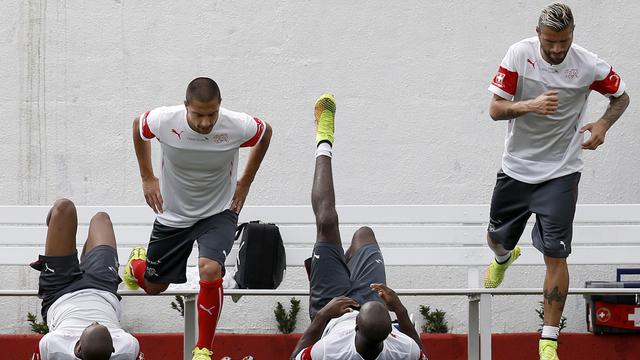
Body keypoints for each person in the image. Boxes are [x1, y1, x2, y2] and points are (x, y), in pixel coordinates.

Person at [484, 3, 629, 359]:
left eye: (563, 41)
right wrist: (530, 105)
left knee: (556, 254)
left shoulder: (588, 64)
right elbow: (495, 109)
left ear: (572, 35)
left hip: (562, 172)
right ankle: (504, 256)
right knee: (495, 238)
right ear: (538, 34)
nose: (557, 49)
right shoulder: (520, 54)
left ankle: (548, 341)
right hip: (517, 168)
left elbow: (621, 96)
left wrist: (602, 125)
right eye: (550, 41)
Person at [126, 77, 272, 360]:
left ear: (220, 107)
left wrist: (246, 181)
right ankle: (136, 264)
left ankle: (203, 349)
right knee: (155, 286)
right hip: (175, 214)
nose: (206, 123)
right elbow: (138, 127)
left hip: (219, 212)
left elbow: (265, 132)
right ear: (186, 107)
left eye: (212, 115)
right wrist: (147, 176)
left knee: (210, 267)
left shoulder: (236, 125)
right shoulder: (164, 120)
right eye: (198, 115)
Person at [290, 94, 427, 360]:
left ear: (355, 327)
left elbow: (296, 356)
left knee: (327, 221)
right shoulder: (400, 349)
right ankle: (338, 268)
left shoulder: (332, 351)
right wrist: (398, 309)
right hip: (367, 302)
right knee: (364, 234)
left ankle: (324, 138)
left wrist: (323, 315)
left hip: (331, 308)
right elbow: (421, 353)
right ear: (390, 332)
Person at [32, 198, 139, 360]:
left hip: (60, 293)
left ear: (79, 347)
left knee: (64, 208)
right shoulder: (127, 346)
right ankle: (87, 262)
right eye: (101, 325)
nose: (95, 321)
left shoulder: (53, 345)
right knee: (101, 219)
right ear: (112, 349)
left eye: (91, 325)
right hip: (103, 290)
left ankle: (59, 236)